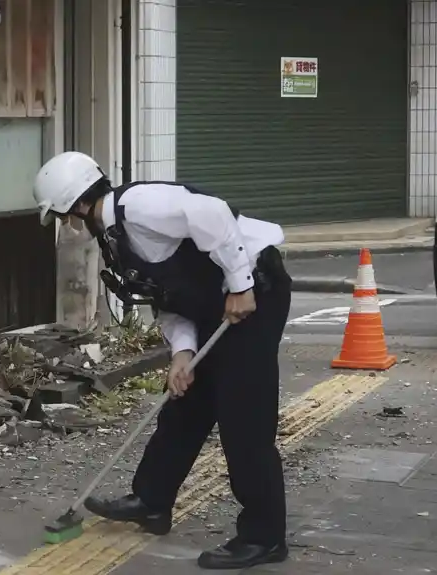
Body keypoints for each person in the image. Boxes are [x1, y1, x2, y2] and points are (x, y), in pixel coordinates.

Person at [32, 151, 292, 570]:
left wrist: (241, 284)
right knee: (186, 402)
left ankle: (264, 536)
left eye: (65, 216)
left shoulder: (138, 207)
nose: (68, 225)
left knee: (244, 414)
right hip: (212, 305)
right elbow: (169, 296)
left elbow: (212, 213)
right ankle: (152, 501)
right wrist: (182, 353)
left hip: (256, 292)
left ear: (78, 204)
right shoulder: (116, 237)